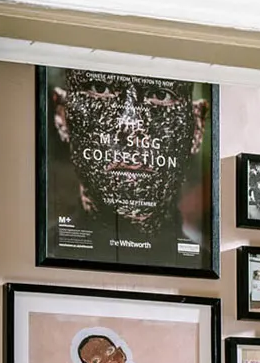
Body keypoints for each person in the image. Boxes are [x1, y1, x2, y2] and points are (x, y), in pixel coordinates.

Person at [47, 69, 210, 267]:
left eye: (160, 95)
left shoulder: (205, 265)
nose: (131, 124)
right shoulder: (41, 253)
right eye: (100, 89)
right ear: (62, 116)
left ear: (196, 128)